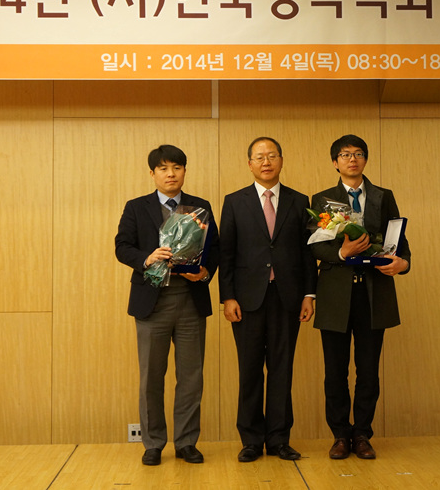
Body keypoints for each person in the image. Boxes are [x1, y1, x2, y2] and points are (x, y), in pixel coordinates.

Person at [114, 144, 219, 466]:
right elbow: (122, 246)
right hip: (152, 303)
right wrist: (146, 258)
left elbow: (215, 249)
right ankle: (153, 443)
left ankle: (186, 442)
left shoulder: (200, 206)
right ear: (152, 173)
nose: (170, 174)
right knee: (151, 378)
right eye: (163, 168)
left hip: (190, 301)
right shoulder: (136, 207)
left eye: (176, 167)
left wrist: (204, 272)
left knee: (191, 377)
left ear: (184, 171)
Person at [310, 134, 411, 460]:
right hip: (335, 296)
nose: (352, 159)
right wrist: (342, 252)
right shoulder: (322, 200)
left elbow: (400, 242)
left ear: (365, 159)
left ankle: (363, 434)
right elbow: (314, 246)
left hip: (373, 294)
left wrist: (402, 264)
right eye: (345, 155)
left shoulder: (383, 196)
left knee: (368, 371)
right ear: (335, 162)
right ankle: (340, 435)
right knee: (335, 372)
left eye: (358, 154)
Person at [219, 137, 318, 463]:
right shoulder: (234, 202)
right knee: (249, 370)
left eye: (272, 155)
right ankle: (250, 440)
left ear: (281, 161)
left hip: (287, 297)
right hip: (246, 300)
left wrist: (309, 294)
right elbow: (226, 253)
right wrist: (227, 297)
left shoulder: (299, 201)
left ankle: (278, 439)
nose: (266, 162)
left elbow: (307, 252)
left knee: (281, 369)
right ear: (249, 164)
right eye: (259, 157)